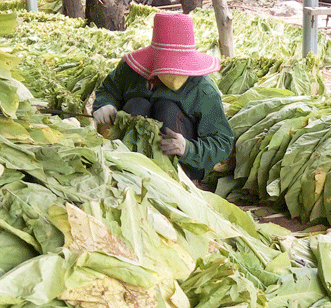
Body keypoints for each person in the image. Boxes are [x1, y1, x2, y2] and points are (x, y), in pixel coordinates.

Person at [92, 11, 234, 182]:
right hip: (130, 160)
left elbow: (223, 143)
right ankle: (128, 171)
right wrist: (104, 105)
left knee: (167, 109)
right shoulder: (131, 71)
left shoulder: (203, 89)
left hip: (180, 165)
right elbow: (108, 90)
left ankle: (181, 180)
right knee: (137, 104)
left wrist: (188, 148)